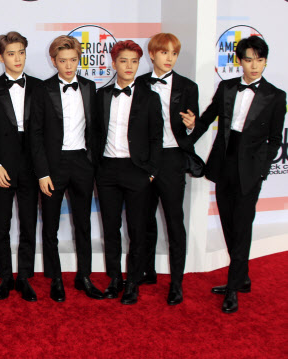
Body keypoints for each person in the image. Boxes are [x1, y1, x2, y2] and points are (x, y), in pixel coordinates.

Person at [190, 35, 286, 313]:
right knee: (229, 225)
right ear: (239, 61)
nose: (254, 65)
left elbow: (275, 138)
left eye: (259, 59)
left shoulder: (276, 96)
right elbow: (208, 118)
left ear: (266, 61)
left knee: (242, 228)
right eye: (248, 59)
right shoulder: (227, 87)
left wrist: (262, 171)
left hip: (250, 171)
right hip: (224, 164)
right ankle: (241, 277)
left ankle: (233, 288)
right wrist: (188, 138)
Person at [29, 35, 102, 302]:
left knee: (83, 224)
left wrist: (93, 162)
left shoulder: (89, 86)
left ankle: (84, 276)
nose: (68, 66)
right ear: (53, 61)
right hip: (53, 166)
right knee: (50, 227)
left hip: (82, 164)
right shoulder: (42, 89)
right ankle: (55, 278)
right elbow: (34, 134)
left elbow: (95, 129)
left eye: (73, 60)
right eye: (63, 61)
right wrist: (42, 172)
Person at [93, 40, 163, 305]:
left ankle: (133, 281)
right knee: (111, 229)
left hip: (137, 171)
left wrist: (151, 172)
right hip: (108, 170)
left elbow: (157, 138)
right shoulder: (102, 96)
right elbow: (96, 134)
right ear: (114, 64)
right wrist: (98, 169)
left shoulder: (150, 97)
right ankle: (114, 279)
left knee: (137, 229)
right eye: (124, 61)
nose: (129, 66)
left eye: (134, 61)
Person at [136, 33, 201, 305]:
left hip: (173, 159)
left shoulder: (188, 86)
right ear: (152, 55)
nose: (169, 58)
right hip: (144, 160)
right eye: (164, 53)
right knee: (144, 220)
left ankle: (176, 282)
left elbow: (193, 127)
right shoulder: (138, 84)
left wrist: (190, 125)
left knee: (175, 222)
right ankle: (147, 270)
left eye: (174, 53)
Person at [0, 31, 41, 302]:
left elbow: (45, 132)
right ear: (1, 57)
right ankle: (5, 277)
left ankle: (25, 277)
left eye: (21, 52)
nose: (18, 58)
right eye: (11, 53)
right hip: (2, 167)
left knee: (29, 224)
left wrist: (43, 169)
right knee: (1, 224)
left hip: (31, 166)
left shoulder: (40, 87)